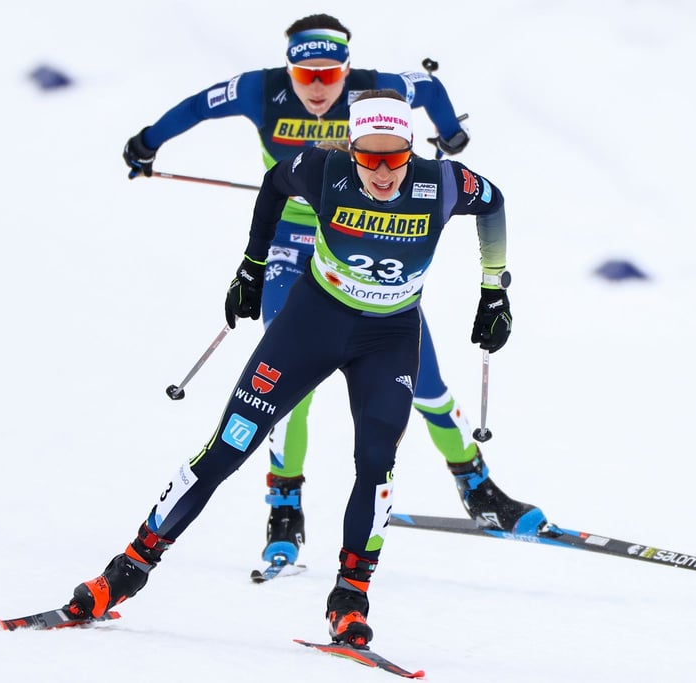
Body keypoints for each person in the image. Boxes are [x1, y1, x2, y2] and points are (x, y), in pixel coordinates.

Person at [66, 90, 546, 646]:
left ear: (411, 150)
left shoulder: (443, 182)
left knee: (375, 464)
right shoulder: (324, 168)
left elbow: (494, 203)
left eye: (396, 157)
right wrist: (252, 264)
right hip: (313, 323)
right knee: (229, 446)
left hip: (389, 338)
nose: (383, 171)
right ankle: (122, 574)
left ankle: (350, 601)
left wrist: (494, 291)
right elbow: (273, 185)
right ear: (353, 148)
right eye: (370, 157)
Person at [122, 14, 537, 569]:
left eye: (330, 73)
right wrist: (148, 142)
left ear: (347, 68)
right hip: (294, 242)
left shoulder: (375, 95)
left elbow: (431, 89)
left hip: (374, 244)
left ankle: (476, 485)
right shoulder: (259, 89)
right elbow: (200, 105)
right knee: (288, 389)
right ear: (288, 67)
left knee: (427, 382)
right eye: (305, 73)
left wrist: (450, 135)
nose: (317, 87)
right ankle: (285, 506)